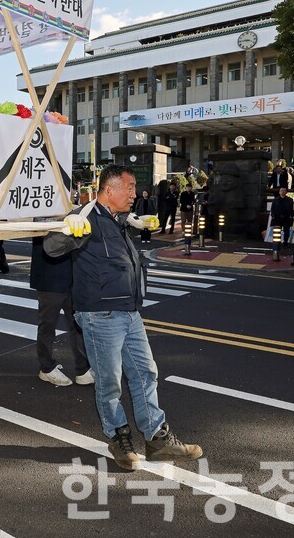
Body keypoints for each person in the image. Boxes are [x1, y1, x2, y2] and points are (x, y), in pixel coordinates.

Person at [45, 164, 202, 471]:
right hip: (99, 314)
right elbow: (52, 248)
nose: (134, 194)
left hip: (129, 313)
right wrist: (68, 230)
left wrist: (136, 222)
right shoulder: (84, 217)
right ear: (110, 189)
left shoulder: (117, 220)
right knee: (109, 382)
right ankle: (119, 437)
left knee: (146, 374)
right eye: (129, 188)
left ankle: (157, 440)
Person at [30, 236, 92, 386]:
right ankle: (46, 368)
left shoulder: (75, 214)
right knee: (48, 326)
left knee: (77, 326)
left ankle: (83, 369)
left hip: (73, 278)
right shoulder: (43, 214)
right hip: (50, 278)